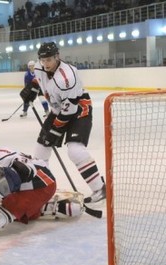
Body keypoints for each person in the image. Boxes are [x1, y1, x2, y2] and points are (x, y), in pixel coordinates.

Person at [0, 131, 84, 247]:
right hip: (28, 192)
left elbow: (27, 169)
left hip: (41, 182)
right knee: (11, 206)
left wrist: (13, 174)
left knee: (4, 204)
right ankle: (53, 207)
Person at [20, 42, 106, 203]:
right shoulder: (40, 67)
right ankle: (41, 188)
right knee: (40, 150)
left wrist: (55, 130)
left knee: (75, 150)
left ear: (57, 57)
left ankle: (99, 188)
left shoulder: (67, 77)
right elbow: (41, 79)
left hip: (79, 110)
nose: (45, 64)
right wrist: (32, 89)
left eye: (49, 60)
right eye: (43, 60)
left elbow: (69, 111)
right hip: (58, 109)